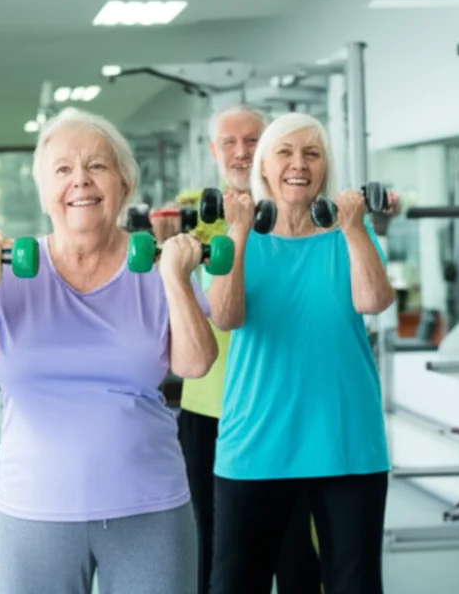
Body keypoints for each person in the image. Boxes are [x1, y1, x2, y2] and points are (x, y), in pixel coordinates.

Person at [0, 107, 217, 594]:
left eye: (97, 165)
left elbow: (194, 363)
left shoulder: (156, 267)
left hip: (148, 506)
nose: (80, 181)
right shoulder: (6, 273)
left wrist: (175, 276)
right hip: (32, 512)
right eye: (63, 169)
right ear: (44, 189)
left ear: (125, 183)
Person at [206, 112, 399, 594]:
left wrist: (355, 228)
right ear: (264, 169)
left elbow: (373, 301)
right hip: (256, 441)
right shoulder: (237, 239)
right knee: (235, 583)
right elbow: (225, 316)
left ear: (325, 168)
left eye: (312, 154)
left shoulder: (350, 235)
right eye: (285, 153)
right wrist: (238, 232)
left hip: (346, 439)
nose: (299, 164)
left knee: (354, 584)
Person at [152, 105, 322, 594]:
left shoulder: (301, 207)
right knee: (215, 550)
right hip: (210, 405)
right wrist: (168, 250)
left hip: (283, 406)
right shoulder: (191, 215)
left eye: (253, 139)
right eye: (230, 142)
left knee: (296, 554)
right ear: (213, 150)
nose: (242, 151)